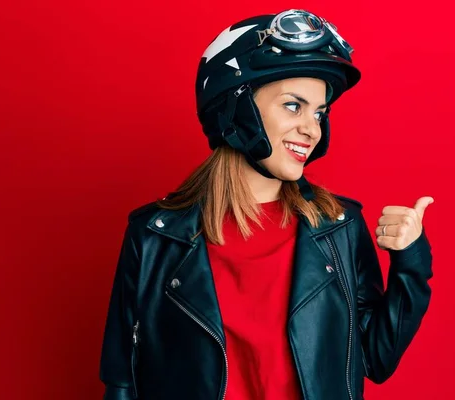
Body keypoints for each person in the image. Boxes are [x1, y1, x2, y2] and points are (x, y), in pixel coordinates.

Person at [99, 9, 434, 400]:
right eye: (294, 106)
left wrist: (411, 261)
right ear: (238, 109)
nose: (312, 128)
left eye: (319, 112)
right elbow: (122, 381)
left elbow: (376, 358)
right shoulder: (155, 236)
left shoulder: (339, 227)